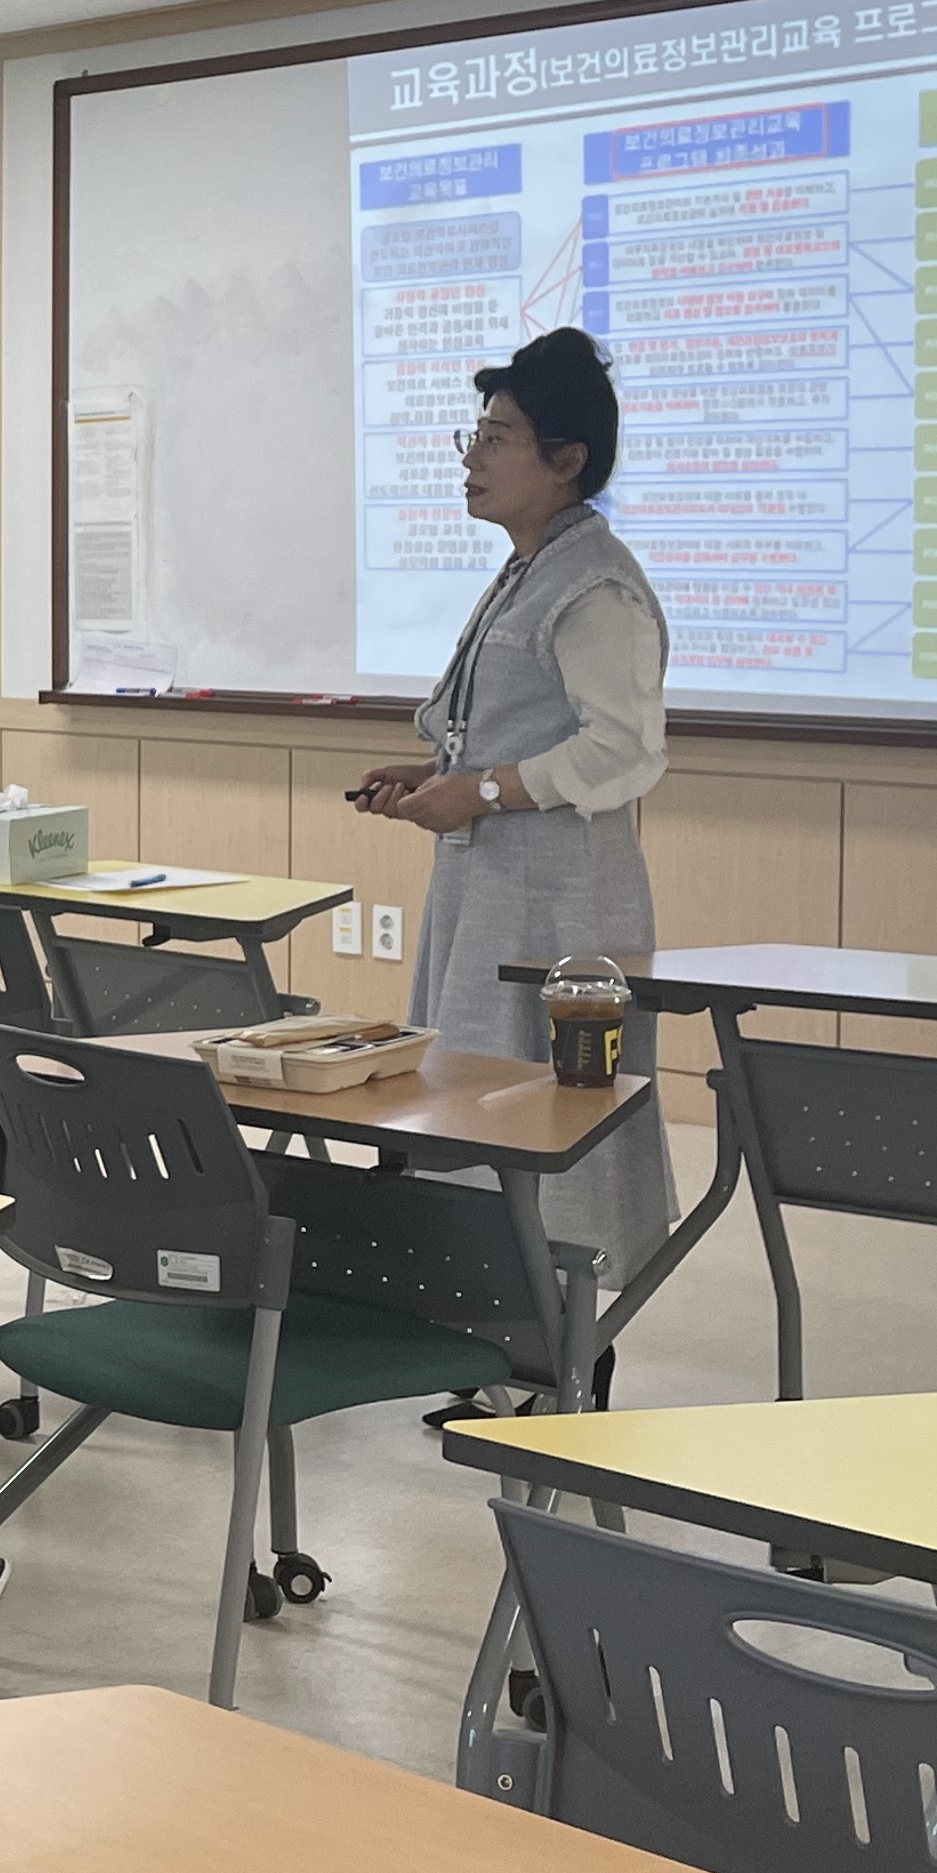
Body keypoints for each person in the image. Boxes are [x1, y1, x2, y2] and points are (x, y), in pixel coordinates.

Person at [353, 325, 676, 1295]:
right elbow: (511, 729)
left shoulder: (598, 586)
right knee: (471, 1100)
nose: (471, 459)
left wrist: (481, 791)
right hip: (491, 885)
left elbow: (624, 750)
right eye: (474, 434)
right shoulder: (530, 565)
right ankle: (487, 1319)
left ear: (567, 461)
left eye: (498, 439)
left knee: (545, 1116)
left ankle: (563, 1342)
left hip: (562, 909)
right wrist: (432, 774)